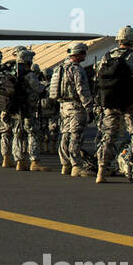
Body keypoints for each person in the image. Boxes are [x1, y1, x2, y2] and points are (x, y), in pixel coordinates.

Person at [94, 26, 133, 183]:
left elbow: (98, 78)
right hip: (130, 102)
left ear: (119, 40)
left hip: (110, 102)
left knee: (108, 136)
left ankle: (101, 170)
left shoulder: (106, 57)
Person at [52, 42, 94, 177]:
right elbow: (82, 89)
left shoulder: (60, 68)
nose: (84, 55)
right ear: (77, 54)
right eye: (83, 53)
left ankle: (65, 164)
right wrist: (89, 107)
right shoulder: (76, 69)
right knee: (75, 135)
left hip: (63, 106)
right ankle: (76, 165)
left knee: (65, 134)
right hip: (75, 106)